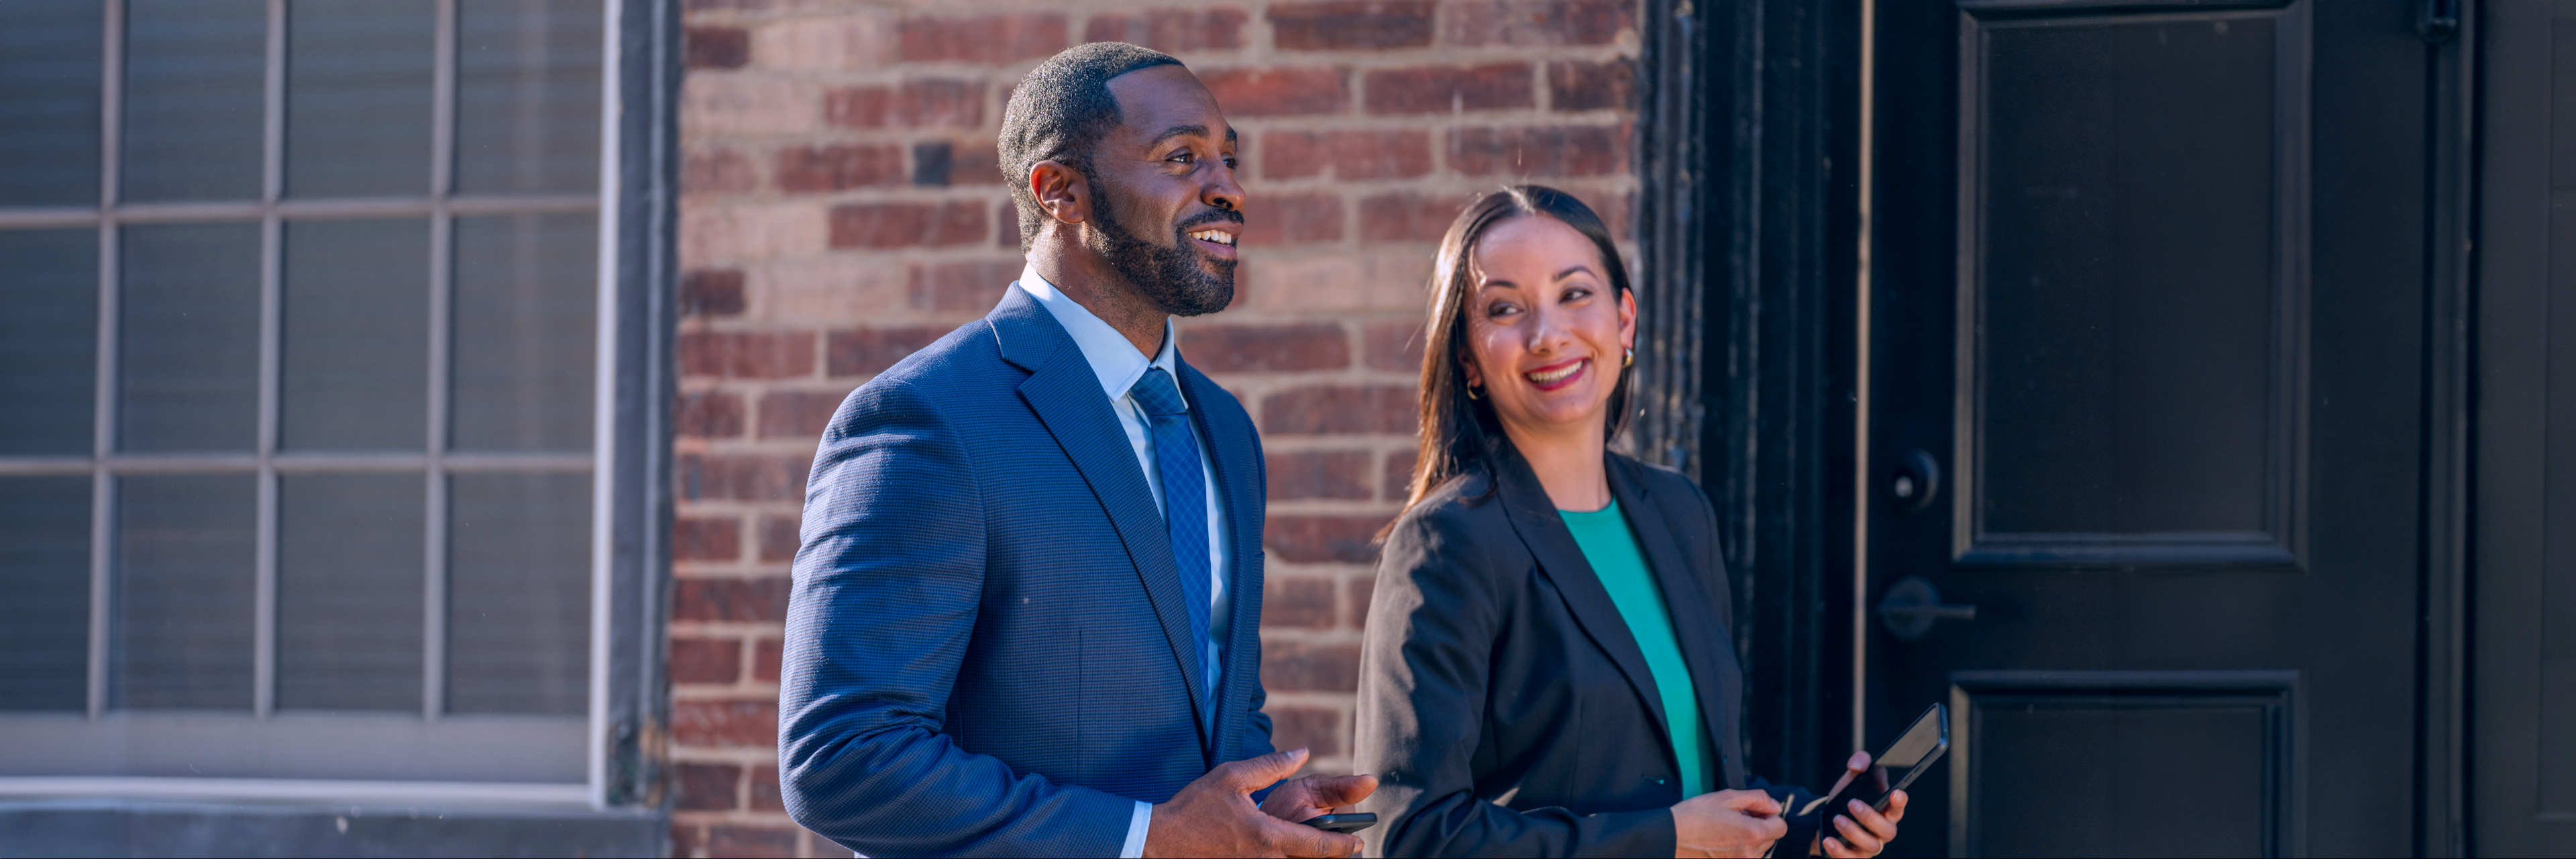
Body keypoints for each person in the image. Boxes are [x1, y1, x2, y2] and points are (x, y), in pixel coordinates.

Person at [777, 42, 1373, 858]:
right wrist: (1148, 836)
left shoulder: (1224, 430)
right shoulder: (927, 419)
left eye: (1229, 159)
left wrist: (1260, 807)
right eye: (1182, 157)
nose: (1227, 187)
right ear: (1059, 190)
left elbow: (1205, 704)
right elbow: (842, 760)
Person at [1352, 187, 1904, 858]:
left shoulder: (1678, 513)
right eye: (1504, 308)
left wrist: (1812, 828)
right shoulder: (1448, 542)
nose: (1547, 332)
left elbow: (1696, 783)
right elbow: (1412, 835)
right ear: (1467, 359)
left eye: (1575, 293)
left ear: (1625, 320)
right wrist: (1668, 838)